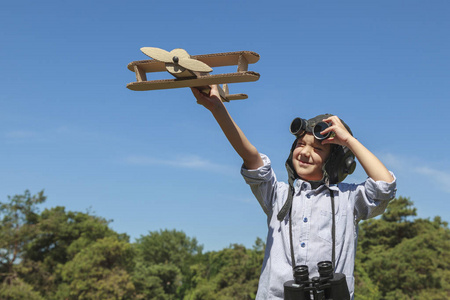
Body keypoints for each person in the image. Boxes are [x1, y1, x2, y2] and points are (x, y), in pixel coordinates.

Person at [191, 85, 397, 300]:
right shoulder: (277, 195)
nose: (305, 153)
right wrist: (217, 108)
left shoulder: (348, 198)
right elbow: (250, 157)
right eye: (300, 144)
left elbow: (384, 186)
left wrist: (347, 141)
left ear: (335, 161)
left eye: (317, 149)